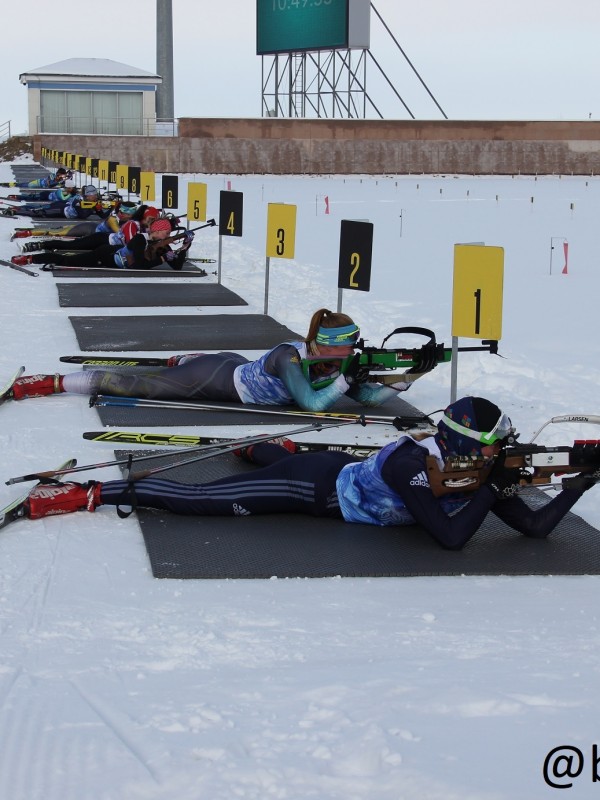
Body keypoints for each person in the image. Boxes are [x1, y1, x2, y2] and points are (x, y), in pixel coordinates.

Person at [21, 396, 598, 549]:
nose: (494, 460)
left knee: (285, 457)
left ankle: (267, 448)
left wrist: (580, 484)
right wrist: (494, 488)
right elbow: (449, 538)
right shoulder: (410, 461)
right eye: (489, 452)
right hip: (316, 488)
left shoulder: (475, 471)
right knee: (202, 500)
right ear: (460, 444)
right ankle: (86, 491)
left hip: (346, 471)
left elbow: (535, 528)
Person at [8, 308, 431, 409]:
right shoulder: (290, 357)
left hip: (232, 361)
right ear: (326, 344)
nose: (354, 352)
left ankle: (183, 359)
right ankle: (52, 382)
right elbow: (312, 404)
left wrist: (407, 377)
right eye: (349, 345)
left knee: (197, 362)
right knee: (141, 385)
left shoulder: (336, 362)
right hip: (218, 380)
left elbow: (369, 399)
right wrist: (345, 379)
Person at [11, 216, 192, 273]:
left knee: (69, 257)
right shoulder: (140, 239)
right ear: (157, 231)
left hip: (111, 258)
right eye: (166, 232)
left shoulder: (162, 245)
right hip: (104, 255)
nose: (169, 235)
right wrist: (160, 259)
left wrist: (184, 248)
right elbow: (137, 265)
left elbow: (176, 266)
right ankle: (30, 258)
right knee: (68, 259)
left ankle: (33, 255)